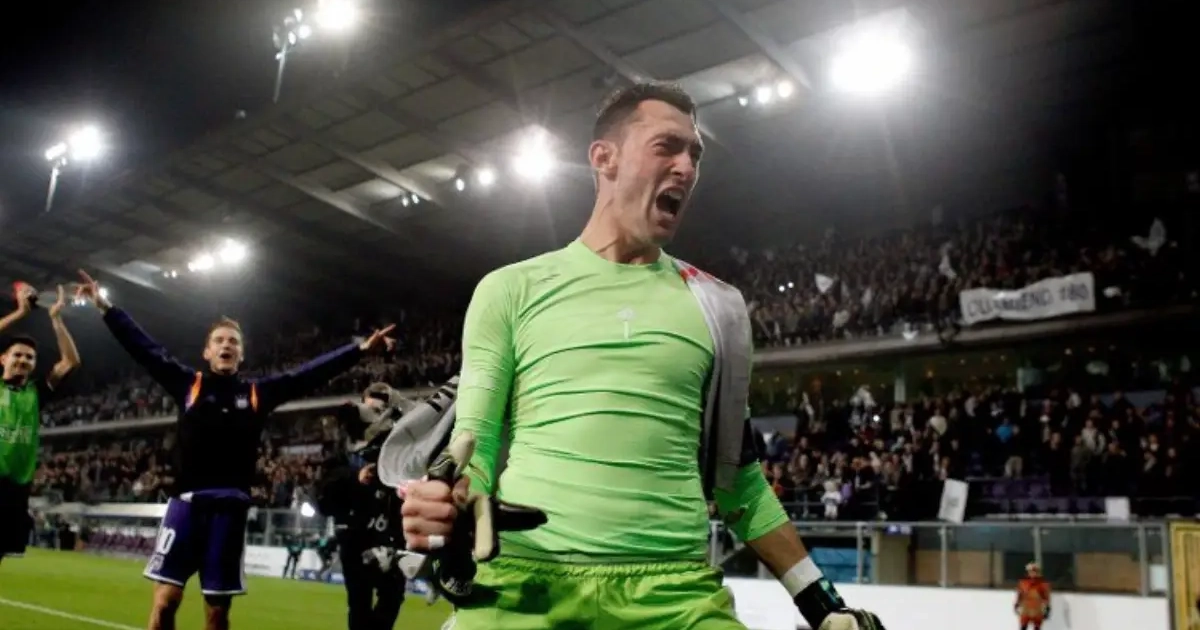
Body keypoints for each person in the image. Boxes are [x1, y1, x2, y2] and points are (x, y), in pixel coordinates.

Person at [400, 83, 885, 630]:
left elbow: (739, 484)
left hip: (675, 597)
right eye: (667, 147)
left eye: (695, 155)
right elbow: (476, 445)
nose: (687, 168)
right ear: (603, 157)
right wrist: (445, 500)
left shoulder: (719, 306)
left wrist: (822, 604)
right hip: (523, 585)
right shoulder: (508, 289)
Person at [73, 270, 396, 630]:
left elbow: (308, 375)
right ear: (207, 351)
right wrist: (104, 306)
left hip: (229, 512)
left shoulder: (257, 394)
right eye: (219, 340)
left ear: (240, 354)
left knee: (217, 614)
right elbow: (144, 348)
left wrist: (360, 350)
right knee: (165, 603)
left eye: (233, 342)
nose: (226, 345)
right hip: (186, 506)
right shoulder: (189, 384)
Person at [318, 384, 411, 630]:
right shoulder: (342, 451)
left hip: (390, 538)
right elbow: (323, 498)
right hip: (355, 539)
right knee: (360, 604)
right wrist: (355, 478)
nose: (372, 416)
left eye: (379, 410)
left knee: (392, 596)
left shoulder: (399, 447)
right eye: (369, 409)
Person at [0, 284, 80, 567]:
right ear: (3, 358)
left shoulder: (36, 392)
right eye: (17, 354)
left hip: (16, 490)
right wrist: (19, 313)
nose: (23, 360)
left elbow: (70, 361)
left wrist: (56, 319)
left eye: (29, 357)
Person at [1015, 562, 1050, 630]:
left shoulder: (1042, 584)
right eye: (1031, 571)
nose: (1033, 573)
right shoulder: (1023, 583)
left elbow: (1046, 596)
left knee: (1037, 626)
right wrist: (1017, 604)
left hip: (1037, 609)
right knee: (1023, 625)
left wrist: (1047, 607)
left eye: (1035, 571)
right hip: (1026, 608)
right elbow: (1020, 594)